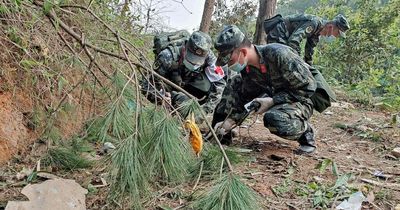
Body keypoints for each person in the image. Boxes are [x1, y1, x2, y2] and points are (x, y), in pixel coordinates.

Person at [212, 25, 335, 154]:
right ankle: (221, 134)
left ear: (243, 52)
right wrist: (231, 120)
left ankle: (306, 133)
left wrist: (272, 101)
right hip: (275, 95)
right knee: (235, 82)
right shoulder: (248, 70)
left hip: (302, 98)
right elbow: (246, 97)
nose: (230, 65)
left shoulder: (279, 54)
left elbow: (308, 88)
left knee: (274, 119)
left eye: (230, 60)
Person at [145, 31, 226, 116]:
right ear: (185, 48)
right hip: (169, 86)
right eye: (192, 59)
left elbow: (220, 83)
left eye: (198, 62)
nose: (194, 64)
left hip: (189, 84)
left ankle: (190, 110)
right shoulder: (167, 56)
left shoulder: (210, 58)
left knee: (208, 85)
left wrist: (204, 111)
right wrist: (160, 97)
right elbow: (146, 85)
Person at [264, 14, 350, 65]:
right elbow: (293, 42)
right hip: (279, 33)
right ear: (331, 27)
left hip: (285, 38)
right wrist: (299, 62)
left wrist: (309, 68)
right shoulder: (314, 23)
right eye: (337, 33)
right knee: (278, 62)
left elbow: (309, 53)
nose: (336, 36)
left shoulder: (317, 33)